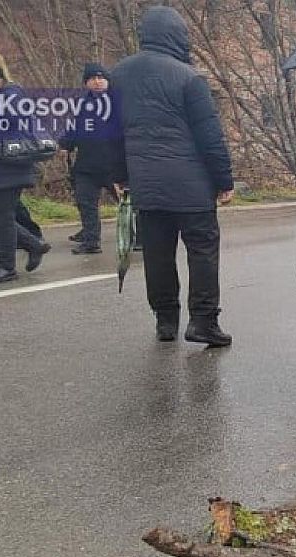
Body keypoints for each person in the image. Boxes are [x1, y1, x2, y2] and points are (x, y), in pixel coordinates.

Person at [111, 6, 235, 346]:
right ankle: (203, 321)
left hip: (146, 184)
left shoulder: (117, 75)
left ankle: (165, 322)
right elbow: (209, 136)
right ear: (178, 36)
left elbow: (111, 134)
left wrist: (119, 175)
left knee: (157, 253)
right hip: (191, 187)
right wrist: (224, 180)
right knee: (202, 251)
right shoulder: (189, 77)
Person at [0, 53, 49, 283]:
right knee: (1, 216)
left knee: (3, 217)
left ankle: (6, 267)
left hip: (11, 166)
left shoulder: (11, 96)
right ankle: (33, 244)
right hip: (4, 166)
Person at [59, 63, 121, 255]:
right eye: (92, 78)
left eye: (101, 77)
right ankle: (91, 240)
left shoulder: (119, 101)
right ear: (86, 83)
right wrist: (65, 145)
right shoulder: (82, 104)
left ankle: (141, 237)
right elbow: (75, 128)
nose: (97, 81)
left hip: (115, 166)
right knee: (85, 203)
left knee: (129, 205)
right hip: (87, 164)